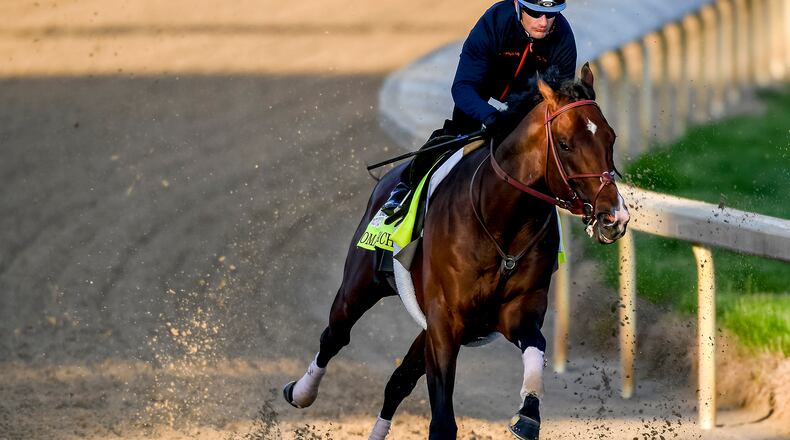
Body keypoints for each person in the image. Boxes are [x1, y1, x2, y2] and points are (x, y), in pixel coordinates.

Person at [381, 0, 577, 216]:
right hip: (482, 84)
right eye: (535, 13)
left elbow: (556, 102)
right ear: (518, 6)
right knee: (458, 131)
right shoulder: (494, 23)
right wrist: (491, 116)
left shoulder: (563, 37)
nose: (543, 22)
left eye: (551, 15)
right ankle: (405, 190)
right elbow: (463, 87)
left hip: (528, 96)